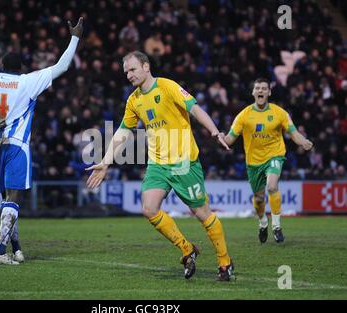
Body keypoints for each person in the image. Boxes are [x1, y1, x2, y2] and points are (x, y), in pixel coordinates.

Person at [86, 51, 234, 281]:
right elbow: (123, 132)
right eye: (126, 71)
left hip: (184, 162)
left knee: (202, 213)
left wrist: (214, 131)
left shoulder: (167, 86)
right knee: (149, 208)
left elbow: (195, 108)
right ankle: (187, 249)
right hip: (158, 164)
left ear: (146, 66)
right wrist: (105, 162)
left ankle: (225, 263)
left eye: (132, 69)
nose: (128, 75)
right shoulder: (134, 100)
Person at [0, 17, 84, 265]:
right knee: (14, 198)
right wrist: (75, 36)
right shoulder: (27, 82)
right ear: (21, 67)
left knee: (7, 201)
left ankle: (17, 248)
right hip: (16, 146)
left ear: (1, 65)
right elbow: (62, 66)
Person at [223, 78, 313, 243]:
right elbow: (230, 139)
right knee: (258, 198)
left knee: (272, 186)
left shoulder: (280, 113)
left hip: (274, 155)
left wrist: (303, 141)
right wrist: (221, 138)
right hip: (253, 162)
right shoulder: (243, 115)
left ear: (269, 93)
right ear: (253, 92)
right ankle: (263, 222)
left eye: (264, 88)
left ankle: (276, 226)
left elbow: (293, 132)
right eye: (257, 88)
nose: (261, 91)